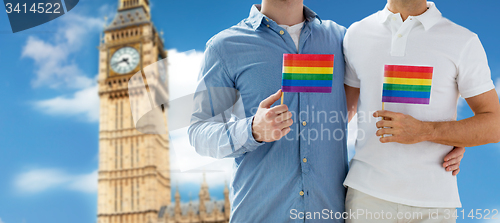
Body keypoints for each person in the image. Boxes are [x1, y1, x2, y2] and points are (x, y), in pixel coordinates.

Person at [189, 0, 464, 222]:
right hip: (260, 213)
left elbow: (387, 95)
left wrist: (443, 137)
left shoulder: (343, 40)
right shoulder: (225, 47)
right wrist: (252, 129)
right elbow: (199, 132)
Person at [343, 0, 500, 222]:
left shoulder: (463, 41)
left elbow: (494, 125)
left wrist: (427, 131)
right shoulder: (357, 33)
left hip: (435, 204)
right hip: (366, 198)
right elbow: (339, 114)